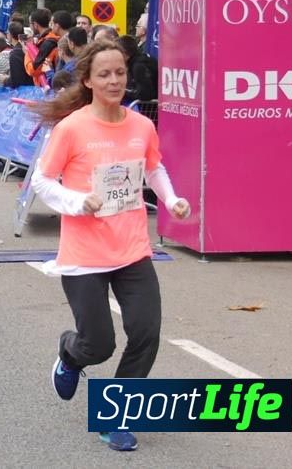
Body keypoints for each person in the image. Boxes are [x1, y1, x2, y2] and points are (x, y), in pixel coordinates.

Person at [29, 42, 191, 453]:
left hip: (133, 248)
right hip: (85, 254)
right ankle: (70, 353)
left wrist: (171, 201)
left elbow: (153, 168)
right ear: (88, 80)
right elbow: (42, 181)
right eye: (105, 74)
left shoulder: (141, 126)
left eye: (120, 72)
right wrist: (76, 202)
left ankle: (115, 415)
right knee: (98, 345)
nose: (115, 80)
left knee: (146, 332)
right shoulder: (72, 128)